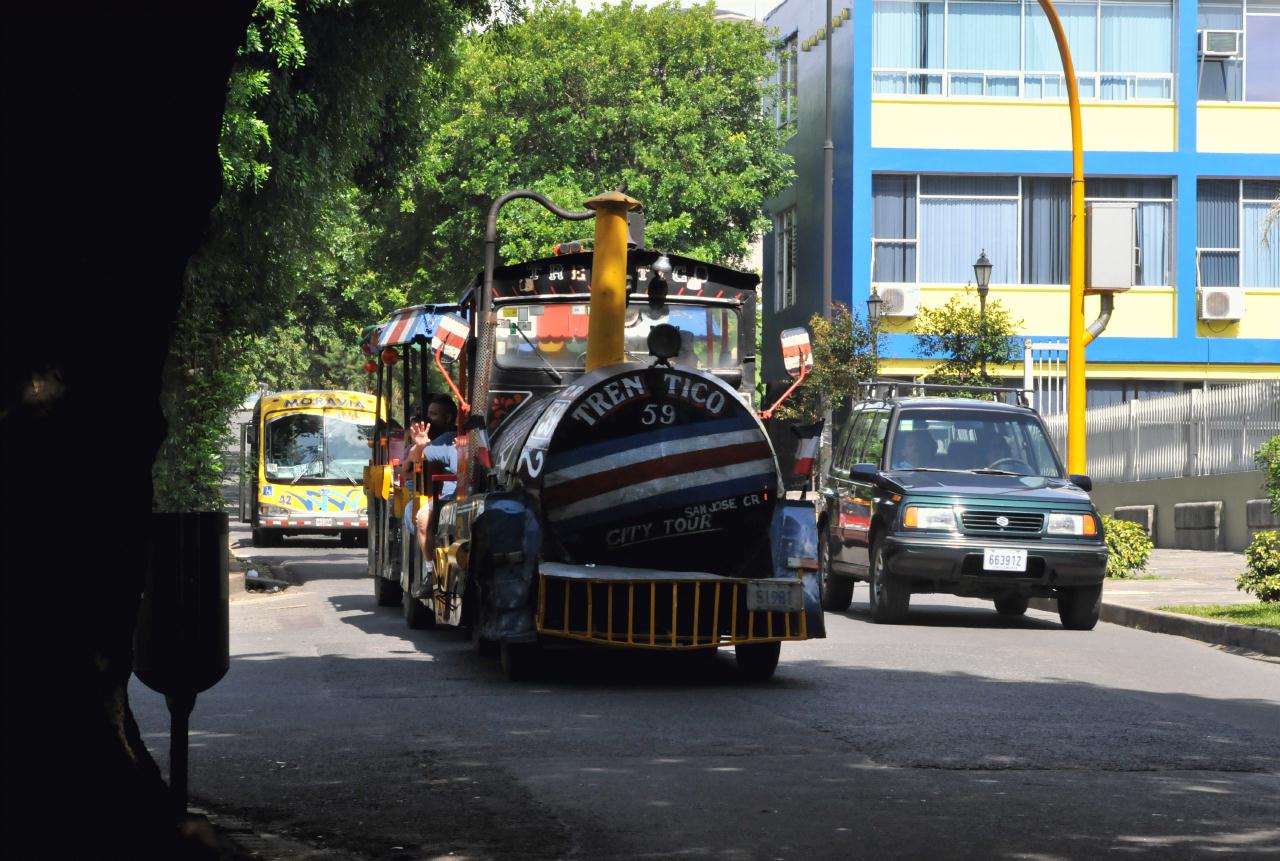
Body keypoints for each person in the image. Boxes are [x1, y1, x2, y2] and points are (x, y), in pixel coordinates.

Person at [399, 396, 459, 575]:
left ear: (447, 418)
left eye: (433, 414)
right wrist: (420, 446)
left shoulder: (461, 440)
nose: (428, 418)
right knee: (424, 517)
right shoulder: (445, 442)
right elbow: (417, 459)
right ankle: (429, 571)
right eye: (429, 414)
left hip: (471, 499)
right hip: (445, 501)